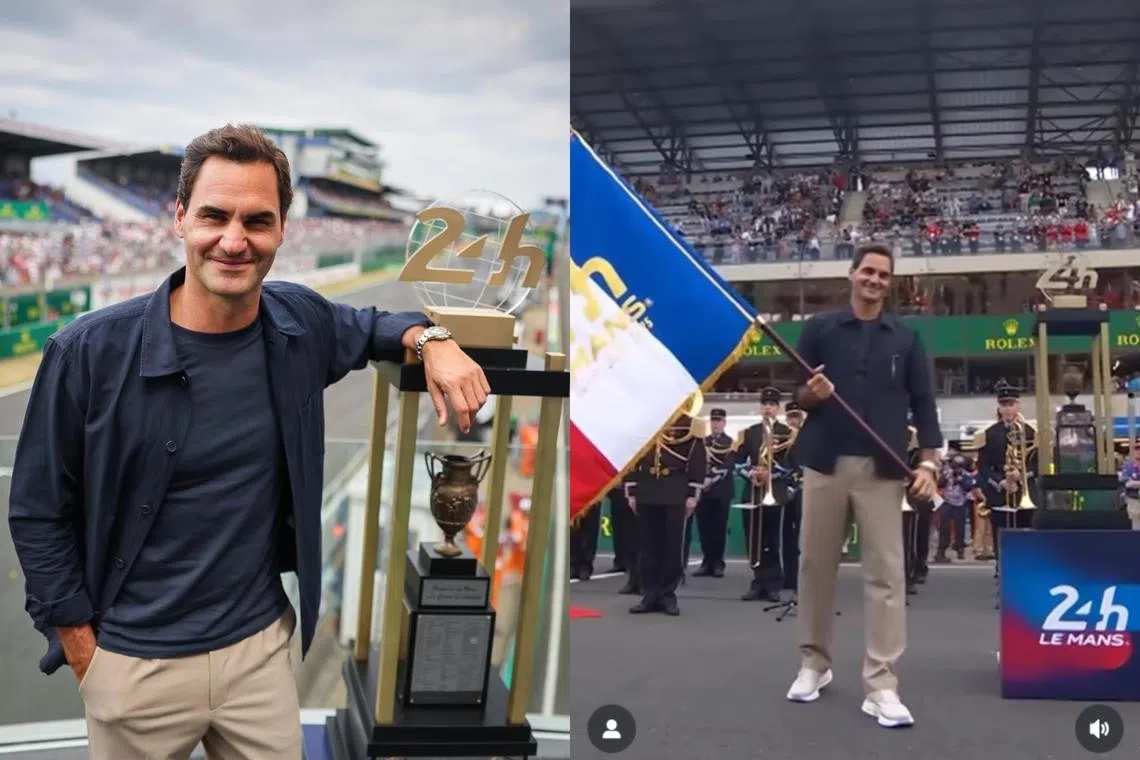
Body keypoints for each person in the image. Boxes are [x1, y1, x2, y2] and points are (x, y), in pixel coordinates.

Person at [7, 124, 490, 760]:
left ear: (283, 228)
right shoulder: (88, 351)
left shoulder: (302, 322)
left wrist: (432, 339)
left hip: (259, 654)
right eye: (214, 216)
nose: (234, 241)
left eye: (257, 221)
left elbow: (373, 325)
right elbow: (37, 510)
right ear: (179, 218)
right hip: (134, 665)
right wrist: (81, 648)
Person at [784, 244, 941, 729]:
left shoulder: (907, 339)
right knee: (815, 567)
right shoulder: (819, 331)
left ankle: (882, 683)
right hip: (824, 464)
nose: (874, 279)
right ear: (851, 274)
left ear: (889, 283)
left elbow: (924, 404)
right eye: (867, 271)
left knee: (887, 576)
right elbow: (797, 395)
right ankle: (814, 663)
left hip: (884, 470)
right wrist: (811, 394)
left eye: (883, 274)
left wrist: (930, 462)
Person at [624, 414, 707, 616]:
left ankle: (668, 595)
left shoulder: (689, 426)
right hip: (647, 489)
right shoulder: (645, 423)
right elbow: (632, 459)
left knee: (672, 547)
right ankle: (649, 594)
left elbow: (697, 462)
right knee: (647, 546)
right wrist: (632, 491)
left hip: (675, 491)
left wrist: (692, 494)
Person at [736, 387, 792, 602]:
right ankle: (758, 581)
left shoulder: (787, 433)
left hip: (774, 491)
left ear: (778, 408)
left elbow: (793, 463)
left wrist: (772, 474)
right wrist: (750, 473)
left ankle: (773, 583)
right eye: (764, 404)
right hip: (753, 490)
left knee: (772, 537)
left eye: (771, 404)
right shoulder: (750, 432)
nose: (767, 408)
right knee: (754, 539)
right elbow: (737, 460)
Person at [976, 383, 1037, 575]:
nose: (1008, 408)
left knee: (1025, 532)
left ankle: (1025, 567)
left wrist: (1021, 476)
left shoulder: (1031, 433)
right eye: (1004, 405)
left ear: (1019, 406)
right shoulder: (989, 433)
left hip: (1023, 491)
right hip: (1001, 491)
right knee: (1000, 532)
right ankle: (1002, 568)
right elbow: (983, 466)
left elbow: (1039, 464)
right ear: (999, 408)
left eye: (1011, 404)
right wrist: (1000, 481)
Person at [691, 408, 735, 578]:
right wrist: (703, 481)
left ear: (724, 423)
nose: (715, 424)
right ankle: (706, 561)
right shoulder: (703, 442)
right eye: (713, 421)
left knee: (719, 528)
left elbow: (729, 464)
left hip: (721, 491)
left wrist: (712, 478)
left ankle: (718, 562)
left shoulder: (731, 442)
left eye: (719, 421)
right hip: (704, 491)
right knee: (704, 528)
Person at [779, 401, 805, 595]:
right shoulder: (781, 438)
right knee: (786, 535)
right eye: (790, 417)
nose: (793, 420)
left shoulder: (808, 436)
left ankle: (801, 578)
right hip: (785, 489)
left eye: (796, 416)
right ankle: (788, 576)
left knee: (803, 536)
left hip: (805, 489)